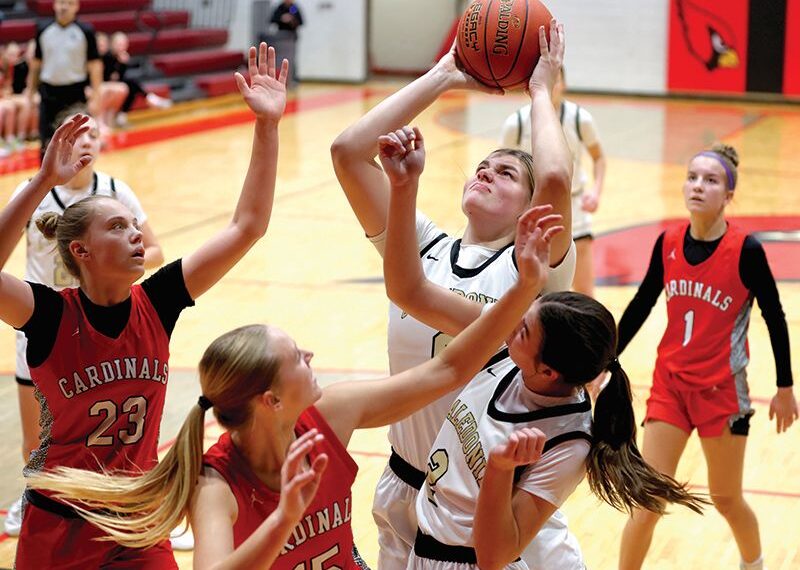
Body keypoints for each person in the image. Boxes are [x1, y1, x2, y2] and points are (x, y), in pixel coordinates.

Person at [25, 206, 558, 568]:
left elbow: (447, 370)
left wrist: (527, 286)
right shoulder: (215, 485)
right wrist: (283, 518)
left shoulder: (333, 412)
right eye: (296, 357)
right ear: (271, 400)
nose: (311, 356)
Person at [0, 42, 289, 569]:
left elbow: (248, 226)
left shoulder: (158, 301)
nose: (137, 235)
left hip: (137, 522)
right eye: (118, 227)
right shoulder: (50, 315)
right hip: (59, 527)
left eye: (135, 226)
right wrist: (42, 181)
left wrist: (267, 126)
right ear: (81, 251)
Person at [376, 128, 706, 569]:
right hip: (429, 550)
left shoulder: (565, 438)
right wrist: (405, 185)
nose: (505, 328)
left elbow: (496, 553)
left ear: (547, 370)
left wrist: (498, 471)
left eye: (522, 329)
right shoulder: (500, 363)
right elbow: (408, 290)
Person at [332, 19, 581, 569]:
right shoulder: (420, 243)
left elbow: (558, 180)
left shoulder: (534, 273)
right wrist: (445, 73)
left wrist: (542, 88)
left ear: (529, 210)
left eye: (508, 173)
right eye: (482, 167)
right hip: (405, 484)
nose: (488, 172)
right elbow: (349, 151)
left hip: (491, 504)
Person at [616, 144, 798, 570]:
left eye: (711, 180)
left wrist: (785, 387)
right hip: (671, 386)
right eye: (693, 177)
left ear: (729, 195)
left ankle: (754, 563)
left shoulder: (746, 250)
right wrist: (606, 361)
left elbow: (775, 316)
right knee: (648, 499)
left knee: (726, 498)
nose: (698, 186)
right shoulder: (668, 242)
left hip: (722, 392)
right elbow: (642, 303)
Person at [2, 105, 163, 538]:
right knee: (39, 436)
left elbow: (157, 251)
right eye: (78, 134)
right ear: (60, 142)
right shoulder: (32, 193)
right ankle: (33, 501)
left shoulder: (115, 192)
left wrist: (110, 273)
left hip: (96, 313)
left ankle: (135, 503)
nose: (88, 142)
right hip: (44, 321)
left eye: (94, 134)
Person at [500, 67, 606, 296]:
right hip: (531, 212)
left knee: (584, 293)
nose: (551, 86)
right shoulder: (516, 123)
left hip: (574, 208)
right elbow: (502, 167)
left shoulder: (580, 119)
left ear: (564, 84)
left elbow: (599, 158)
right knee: (533, 292)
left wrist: (596, 191)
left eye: (555, 81)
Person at [25, 0, 103, 159]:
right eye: (61, 2)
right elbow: (36, 64)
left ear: (76, 6)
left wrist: (96, 95)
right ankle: (46, 182)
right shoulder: (43, 29)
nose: (64, 7)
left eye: (69, 3)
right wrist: (30, 91)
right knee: (47, 141)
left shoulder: (86, 31)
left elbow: (95, 65)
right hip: (49, 92)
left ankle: (75, 181)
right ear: (54, 5)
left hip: (75, 93)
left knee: (77, 139)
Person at [101, 32, 172, 128]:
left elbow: (119, 77)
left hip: (114, 85)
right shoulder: (107, 57)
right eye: (118, 44)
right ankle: (149, 99)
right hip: (103, 85)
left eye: (124, 44)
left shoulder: (121, 57)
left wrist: (123, 64)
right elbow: (108, 77)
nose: (121, 47)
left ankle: (123, 115)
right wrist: (121, 65)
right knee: (131, 84)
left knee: (131, 87)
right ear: (112, 44)